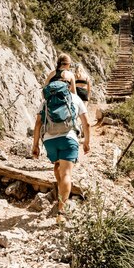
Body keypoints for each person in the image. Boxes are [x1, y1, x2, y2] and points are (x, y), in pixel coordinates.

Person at [31, 81, 91, 223]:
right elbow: (86, 123)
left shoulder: (46, 101)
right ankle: (61, 212)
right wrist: (87, 142)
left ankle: (60, 194)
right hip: (68, 138)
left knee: (58, 165)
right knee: (67, 174)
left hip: (49, 140)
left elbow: (38, 123)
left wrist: (35, 145)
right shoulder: (75, 99)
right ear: (69, 87)